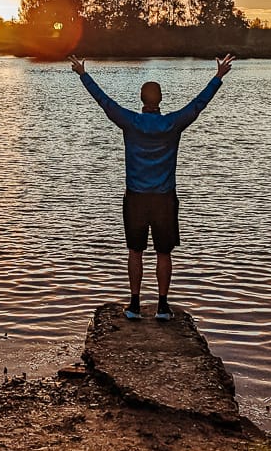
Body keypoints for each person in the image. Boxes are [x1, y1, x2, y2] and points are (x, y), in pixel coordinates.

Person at [69, 53, 234, 322]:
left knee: (135, 251)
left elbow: (104, 102)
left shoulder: (130, 121)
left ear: (141, 99)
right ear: (160, 100)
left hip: (135, 197)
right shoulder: (172, 123)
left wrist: (83, 74)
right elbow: (198, 105)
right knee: (163, 252)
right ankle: (162, 306)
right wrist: (217, 77)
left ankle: (134, 305)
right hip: (164, 199)